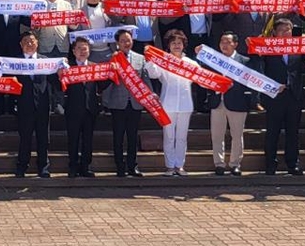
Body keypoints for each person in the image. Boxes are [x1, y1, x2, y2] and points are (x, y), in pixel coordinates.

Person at [144, 30, 197, 176]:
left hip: (186, 104)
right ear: (168, 46)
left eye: (179, 43)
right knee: (169, 136)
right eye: (173, 43)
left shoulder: (191, 63)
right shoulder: (163, 62)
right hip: (168, 103)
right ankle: (169, 166)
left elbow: (200, 78)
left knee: (181, 137)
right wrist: (150, 60)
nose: (176, 46)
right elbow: (154, 74)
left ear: (183, 45)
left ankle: (179, 165)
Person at [259, 18, 305, 176]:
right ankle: (270, 164)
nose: (286, 33)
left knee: (293, 132)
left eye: (289, 30)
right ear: (274, 33)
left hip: (294, 95)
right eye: (283, 30)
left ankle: (293, 164)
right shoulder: (268, 48)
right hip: (274, 96)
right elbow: (260, 69)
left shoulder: (299, 48)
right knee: (273, 132)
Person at [205, 32, 256, 176]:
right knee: (217, 135)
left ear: (235, 44)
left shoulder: (245, 61)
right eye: (222, 41)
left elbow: (250, 81)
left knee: (237, 135)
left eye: (228, 42)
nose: (224, 44)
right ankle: (219, 164)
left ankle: (235, 163)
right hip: (217, 102)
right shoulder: (213, 59)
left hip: (237, 102)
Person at [101, 28, 148, 177]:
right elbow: (107, 82)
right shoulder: (112, 58)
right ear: (117, 43)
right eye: (122, 41)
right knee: (118, 136)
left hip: (135, 102)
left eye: (128, 40)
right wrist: (105, 101)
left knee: (133, 136)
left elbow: (145, 79)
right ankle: (120, 166)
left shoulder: (140, 58)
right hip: (118, 102)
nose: (126, 43)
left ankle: (132, 166)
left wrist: (150, 95)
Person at [12, 31, 59, 178]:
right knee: (25, 138)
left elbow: (55, 82)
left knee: (43, 138)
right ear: (21, 45)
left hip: (43, 106)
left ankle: (43, 167)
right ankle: (21, 166)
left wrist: (63, 72)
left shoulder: (46, 61)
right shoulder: (15, 62)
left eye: (32, 41)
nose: (29, 44)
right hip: (24, 106)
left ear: (37, 43)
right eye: (26, 41)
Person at [61, 37, 100, 178]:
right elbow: (59, 87)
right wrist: (59, 75)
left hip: (90, 109)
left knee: (88, 140)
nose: (82, 51)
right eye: (79, 48)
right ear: (73, 51)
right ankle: (72, 166)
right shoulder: (68, 68)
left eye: (85, 48)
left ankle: (86, 166)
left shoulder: (95, 67)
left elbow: (102, 86)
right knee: (73, 139)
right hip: (73, 109)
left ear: (89, 51)